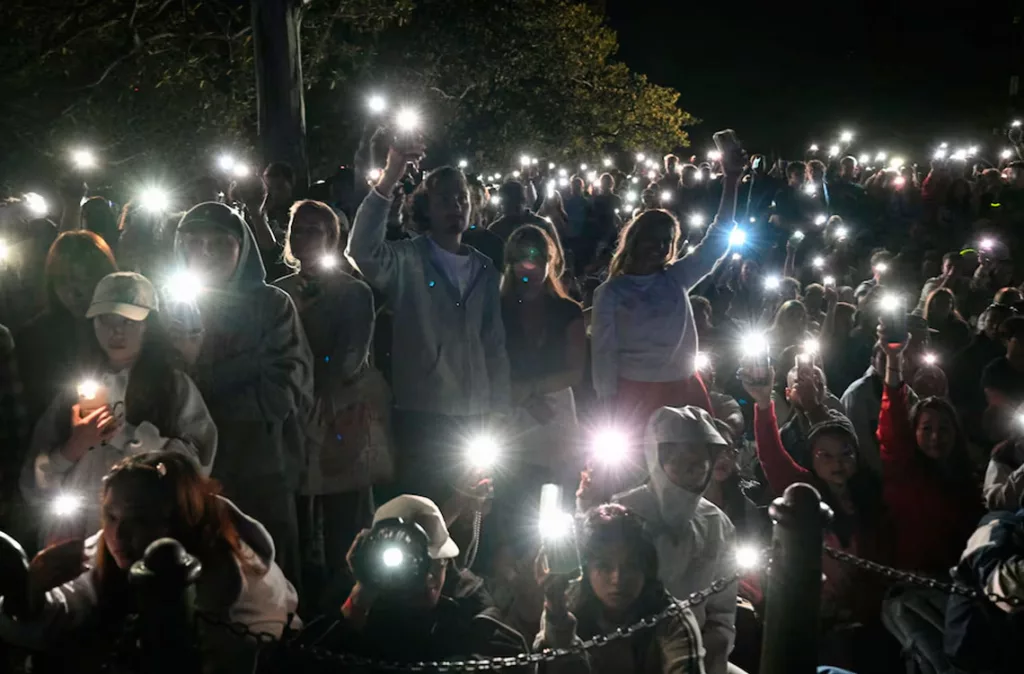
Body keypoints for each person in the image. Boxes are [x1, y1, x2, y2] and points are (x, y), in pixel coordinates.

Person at [1, 452, 298, 672]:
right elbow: (70, 604)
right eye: (111, 516)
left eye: (140, 520)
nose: (119, 534)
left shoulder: (235, 579)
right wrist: (32, 592)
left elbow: (235, 656)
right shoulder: (108, 546)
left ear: (178, 520)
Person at [345, 144, 510, 505]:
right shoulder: (407, 259)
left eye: (462, 198)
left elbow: (494, 343)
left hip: (476, 413)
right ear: (426, 209)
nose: (456, 206)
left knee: (471, 505)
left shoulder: (484, 269)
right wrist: (390, 176)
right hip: (423, 411)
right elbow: (361, 252)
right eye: (445, 200)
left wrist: (499, 406)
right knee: (422, 506)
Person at [171, 201, 314, 587]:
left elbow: (282, 392)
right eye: (195, 243)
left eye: (220, 243)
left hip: (261, 465)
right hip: (192, 470)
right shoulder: (171, 307)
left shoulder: (271, 305)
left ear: (242, 248)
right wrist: (243, 370)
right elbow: (163, 392)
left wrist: (202, 379)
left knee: (269, 573)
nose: (206, 253)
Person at [21, 271, 217, 543]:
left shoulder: (172, 386)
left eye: (128, 321)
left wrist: (131, 439)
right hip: (79, 531)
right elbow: (34, 481)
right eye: (106, 320)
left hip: (148, 531)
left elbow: (197, 463)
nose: (116, 331)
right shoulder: (73, 388)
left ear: (147, 325)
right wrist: (74, 446)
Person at [273, 199, 388, 594]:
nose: (303, 237)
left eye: (314, 230)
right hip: (291, 419)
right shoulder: (278, 292)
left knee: (344, 517)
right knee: (298, 520)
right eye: (297, 230)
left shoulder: (353, 292)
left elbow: (348, 360)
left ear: (332, 238)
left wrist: (304, 376)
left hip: (337, 415)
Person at [591, 142, 740, 433]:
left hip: (684, 387)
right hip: (634, 392)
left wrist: (732, 180)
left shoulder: (677, 277)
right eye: (653, 239)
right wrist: (607, 405)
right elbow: (603, 354)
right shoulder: (611, 292)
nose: (659, 247)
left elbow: (716, 243)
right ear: (636, 240)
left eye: (666, 241)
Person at [582, 406, 736, 674]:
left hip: (696, 653)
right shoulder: (626, 512)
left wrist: (703, 652)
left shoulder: (717, 523)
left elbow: (722, 611)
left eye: (698, 462)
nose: (691, 471)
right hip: (627, 651)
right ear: (658, 460)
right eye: (679, 461)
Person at [744, 366, 887, 626]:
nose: (837, 463)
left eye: (846, 454)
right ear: (812, 459)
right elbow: (773, 458)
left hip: (868, 611)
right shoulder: (807, 491)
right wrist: (764, 405)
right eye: (825, 456)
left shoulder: (871, 496)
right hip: (817, 613)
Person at [325, 495, 529, 665]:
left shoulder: (465, 596)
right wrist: (360, 598)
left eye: (437, 564)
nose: (429, 579)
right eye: (415, 565)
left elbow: (509, 657)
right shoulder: (358, 589)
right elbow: (316, 657)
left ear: (448, 562)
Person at [535, 503, 708, 674]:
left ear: (646, 569)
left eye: (631, 566)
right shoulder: (568, 607)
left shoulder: (671, 618)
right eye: (604, 567)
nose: (617, 579)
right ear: (587, 570)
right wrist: (556, 609)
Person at [878, 338, 983, 574]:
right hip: (912, 579)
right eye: (926, 429)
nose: (936, 437)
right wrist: (894, 358)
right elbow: (892, 415)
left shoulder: (967, 478)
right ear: (913, 432)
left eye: (944, 429)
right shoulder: (904, 470)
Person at [501, 225, 585, 488]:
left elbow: (575, 372)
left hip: (554, 408)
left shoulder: (568, 311)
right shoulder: (497, 310)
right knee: (512, 485)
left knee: (558, 485)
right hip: (511, 406)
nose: (530, 267)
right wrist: (526, 398)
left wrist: (529, 390)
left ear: (550, 261)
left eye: (538, 259)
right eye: (522, 259)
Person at [14, 231, 118, 427]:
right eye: (63, 281)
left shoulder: (123, 329)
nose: (74, 292)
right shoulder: (34, 338)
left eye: (84, 278)